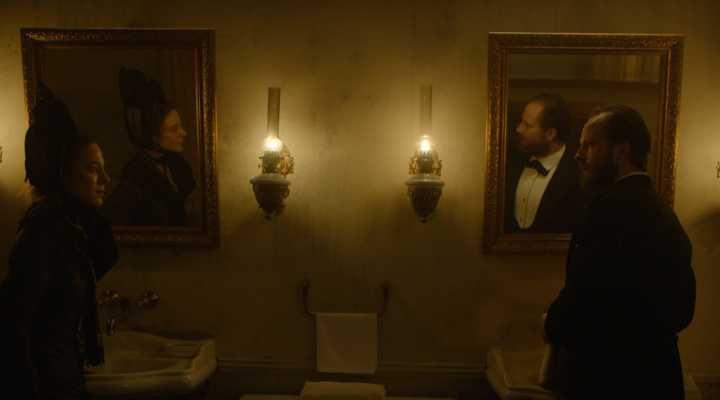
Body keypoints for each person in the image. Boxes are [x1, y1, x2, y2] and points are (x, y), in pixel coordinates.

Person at [543, 105, 696, 399]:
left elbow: (584, 294)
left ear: (621, 151)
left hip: (609, 378)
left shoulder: (606, 210)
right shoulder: (663, 213)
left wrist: (552, 324)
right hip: (658, 375)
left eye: (588, 145)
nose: (578, 155)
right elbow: (683, 309)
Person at [0, 84, 118, 399]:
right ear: (63, 174)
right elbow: (15, 333)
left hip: (65, 381)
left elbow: (105, 254)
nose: (105, 180)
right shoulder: (41, 235)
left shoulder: (69, 232)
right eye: (92, 169)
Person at [102, 67, 196, 226]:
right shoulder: (133, 177)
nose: (183, 133)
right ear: (154, 136)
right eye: (174, 129)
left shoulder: (180, 166)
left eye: (180, 126)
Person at [505, 93, 582, 233]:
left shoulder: (578, 172)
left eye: (527, 125)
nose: (518, 129)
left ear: (550, 134)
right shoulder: (508, 162)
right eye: (521, 122)